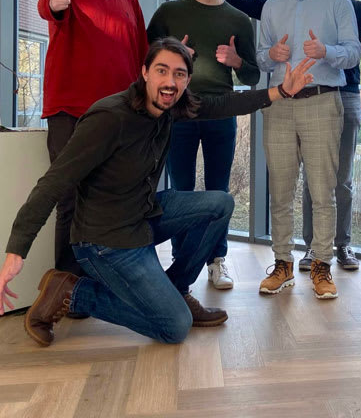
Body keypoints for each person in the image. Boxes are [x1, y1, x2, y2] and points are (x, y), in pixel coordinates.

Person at [0, 37, 315, 346]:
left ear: (187, 80)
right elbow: (55, 180)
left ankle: (176, 288)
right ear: (144, 72)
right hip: (105, 242)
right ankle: (72, 291)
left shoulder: (170, 107)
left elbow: (222, 104)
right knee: (175, 326)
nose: (170, 81)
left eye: (179, 74)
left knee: (220, 204)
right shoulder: (109, 117)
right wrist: (17, 248)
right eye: (162, 70)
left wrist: (282, 91)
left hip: (143, 218)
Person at [220, 0, 361, 271]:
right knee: (307, 182)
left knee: (339, 179)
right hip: (286, 99)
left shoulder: (349, 7)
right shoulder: (280, 6)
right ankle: (309, 248)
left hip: (342, 96)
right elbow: (246, 3)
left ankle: (343, 244)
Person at [38, 0, 148, 277]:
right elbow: (48, 9)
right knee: (69, 199)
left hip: (121, 118)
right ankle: (67, 290)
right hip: (71, 115)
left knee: (116, 200)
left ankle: (109, 280)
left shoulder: (129, 0)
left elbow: (141, 57)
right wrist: (54, 2)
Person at [147, 0, 260, 290]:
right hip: (177, 112)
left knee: (219, 190)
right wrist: (177, 56)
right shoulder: (169, 12)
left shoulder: (239, 19)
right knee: (180, 191)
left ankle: (216, 260)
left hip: (221, 113)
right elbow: (148, 60)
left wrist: (236, 61)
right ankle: (182, 265)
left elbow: (253, 76)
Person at [256, 0, 360, 299]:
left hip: (322, 102)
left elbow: (353, 53)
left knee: (323, 191)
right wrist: (273, 57)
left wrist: (325, 51)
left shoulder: (336, 0)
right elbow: (259, 57)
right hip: (279, 105)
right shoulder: (271, 7)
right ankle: (282, 264)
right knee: (280, 191)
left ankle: (321, 266)